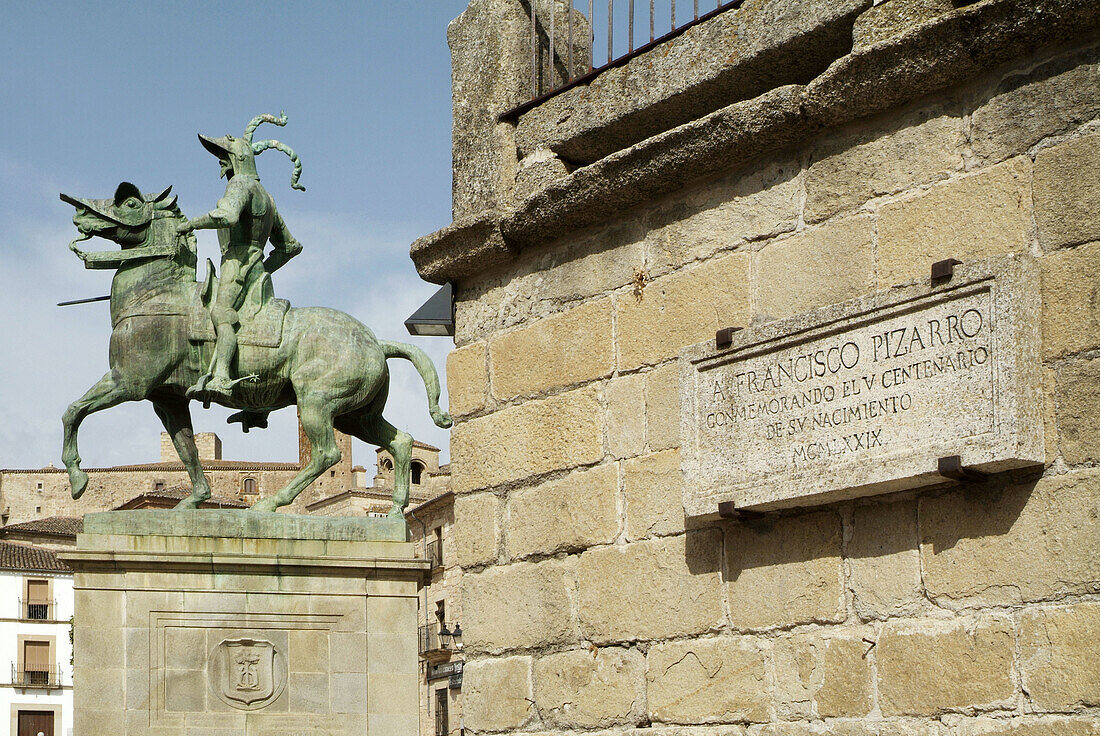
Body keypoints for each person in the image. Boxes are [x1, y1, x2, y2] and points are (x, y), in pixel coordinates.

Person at [178, 113, 305, 404]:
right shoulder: (268, 197)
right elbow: (290, 247)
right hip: (255, 273)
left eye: (223, 156)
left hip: (234, 267)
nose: (220, 162)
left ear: (237, 159)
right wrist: (261, 270)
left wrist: (191, 224)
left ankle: (221, 375)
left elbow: (227, 215)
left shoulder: (240, 186)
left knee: (221, 314)